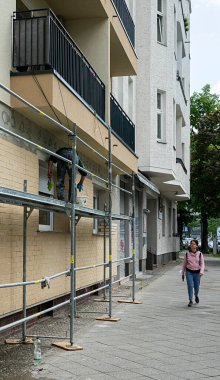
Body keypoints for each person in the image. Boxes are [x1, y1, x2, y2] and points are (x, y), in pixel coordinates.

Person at [182, 239, 205, 307]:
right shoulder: (187, 254)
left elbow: (202, 264)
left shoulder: (200, 254)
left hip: (197, 273)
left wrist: (201, 271)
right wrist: (183, 273)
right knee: (190, 286)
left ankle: (196, 295)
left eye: (194, 244)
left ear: (197, 245)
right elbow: (184, 264)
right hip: (189, 272)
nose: (192, 245)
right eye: (191, 244)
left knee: (196, 287)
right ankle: (190, 300)